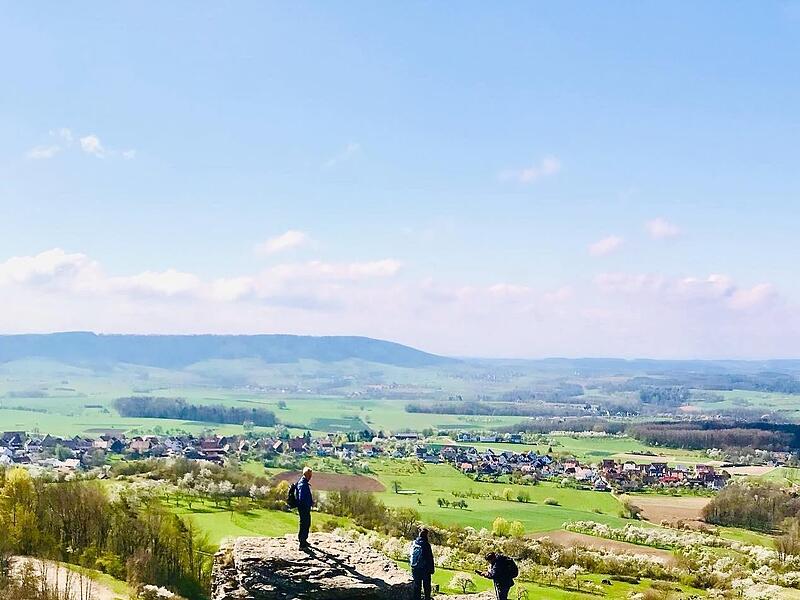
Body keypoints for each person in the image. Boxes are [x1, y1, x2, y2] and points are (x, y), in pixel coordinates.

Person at [409, 527, 435, 600]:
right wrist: (431, 569)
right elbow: (430, 558)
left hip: (414, 567)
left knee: (417, 585)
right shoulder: (426, 544)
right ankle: (427, 598)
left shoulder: (414, 542)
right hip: (424, 568)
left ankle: (416, 598)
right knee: (426, 585)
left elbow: (410, 554)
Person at [296, 467, 314, 549]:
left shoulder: (303, 482)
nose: (311, 477)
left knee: (305, 523)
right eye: (309, 475)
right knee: (305, 524)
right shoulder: (303, 484)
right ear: (306, 475)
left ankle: (303, 540)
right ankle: (302, 543)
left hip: (303, 507)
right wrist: (307, 505)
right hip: (303, 508)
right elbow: (302, 497)